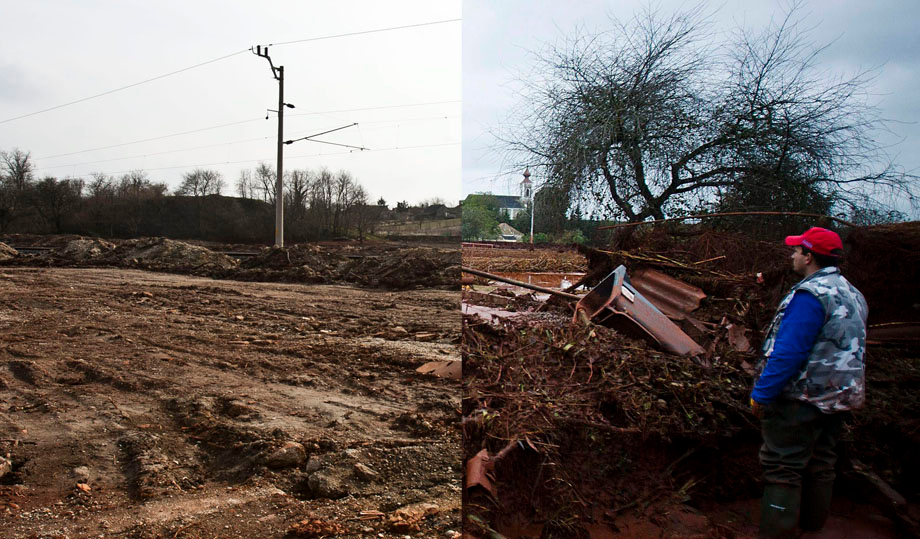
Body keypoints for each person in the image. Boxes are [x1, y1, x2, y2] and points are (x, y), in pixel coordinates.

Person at [750, 227, 868, 538]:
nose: (792, 256)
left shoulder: (811, 295)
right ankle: (812, 529)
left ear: (809, 257)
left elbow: (789, 351)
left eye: (796, 251)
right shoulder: (852, 293)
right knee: (822, 462)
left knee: (783, 467)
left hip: (801, 398)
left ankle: (777, 532)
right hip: (840, 397)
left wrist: (762, 393)